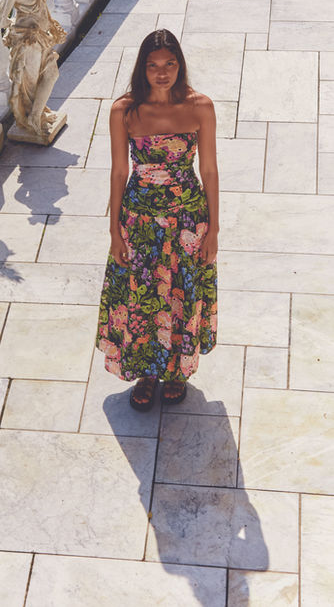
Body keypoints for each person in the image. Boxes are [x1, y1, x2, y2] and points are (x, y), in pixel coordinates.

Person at [96, 29, 218, 411]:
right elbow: (119, 172)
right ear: (142, 68)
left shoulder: (201, 107)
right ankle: (146, 372)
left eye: (169, 64)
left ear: (179, 66)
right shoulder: (124, 111)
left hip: (188, 220)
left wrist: (214, 230)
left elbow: (209, 171)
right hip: (140, 221)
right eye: (153, 66)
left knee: (181, 292)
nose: (162, 73)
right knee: (142, 295)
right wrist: (114, 231)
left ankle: (176, 370)